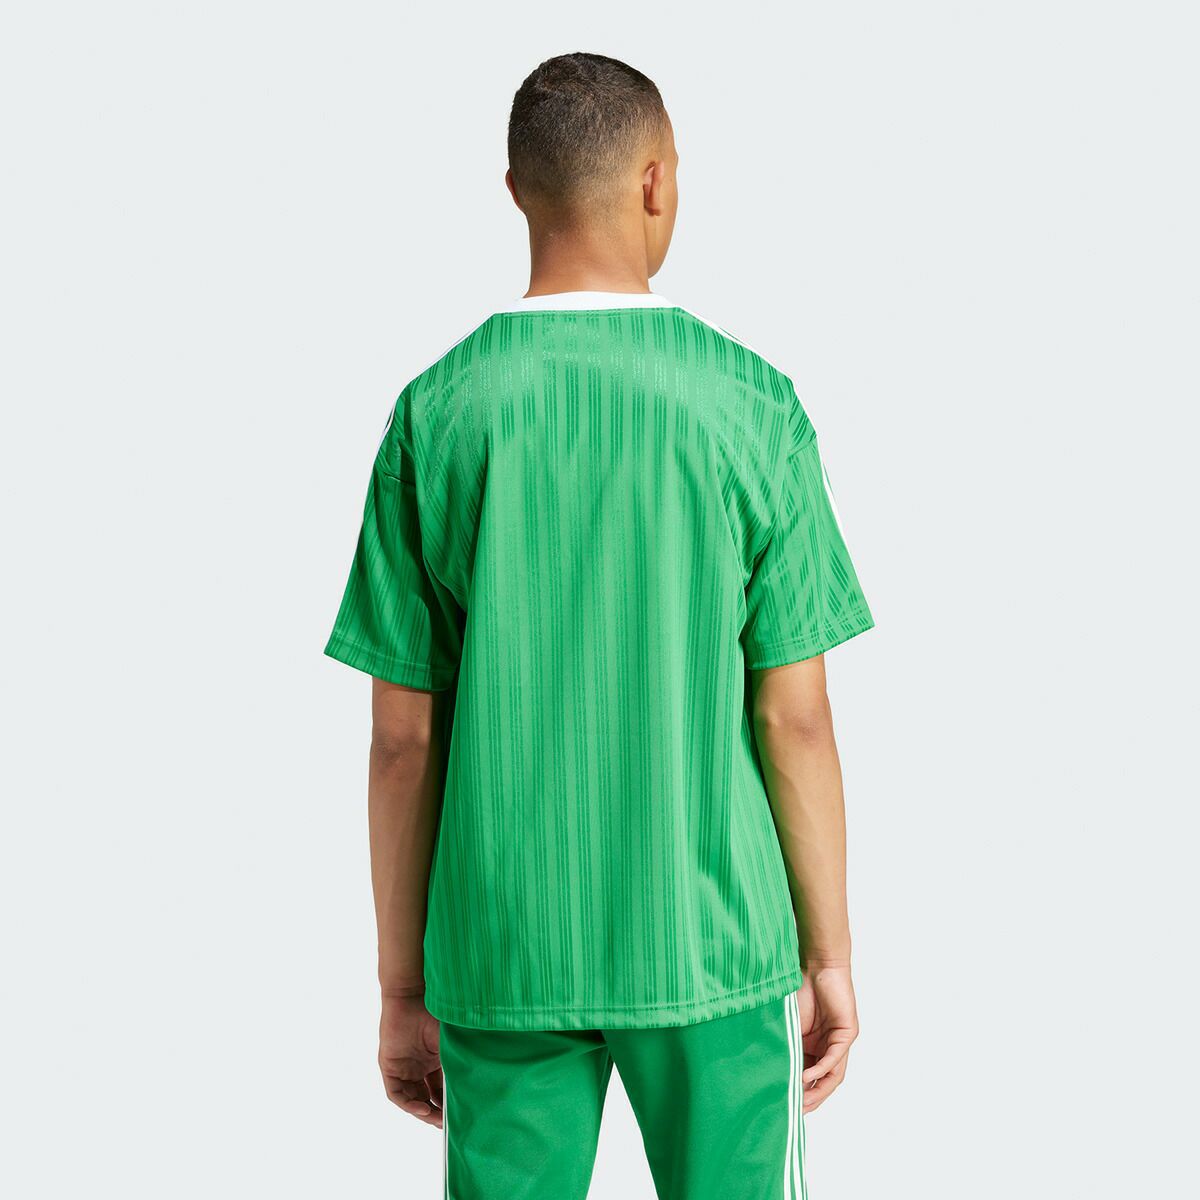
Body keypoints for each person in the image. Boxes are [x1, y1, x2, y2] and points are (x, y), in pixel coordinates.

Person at [325, 51, 874, 1200]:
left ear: (516, 192)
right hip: (714, 940)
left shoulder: (437, 413)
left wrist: (400, 986)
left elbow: (403, 741)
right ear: (658, 182)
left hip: (503, 940)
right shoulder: (752, 407)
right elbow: (795, 720)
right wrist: (828, 955)